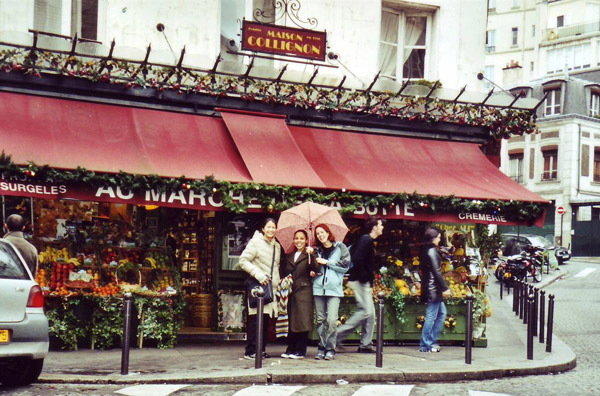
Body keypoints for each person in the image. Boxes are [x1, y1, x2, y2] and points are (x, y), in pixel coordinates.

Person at [336, 216, 384, 353]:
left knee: (370, 314)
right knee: (366, 312)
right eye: (380, 225)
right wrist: (364, 278)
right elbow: (357, 258)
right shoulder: (366, 240)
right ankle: (337, 335)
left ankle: (366, 344)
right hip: (359, 281)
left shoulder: (367, 240)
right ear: (374, 227)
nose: (382, 227)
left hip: (361, 281)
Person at [239, 218, 281, 360]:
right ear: (263, 229)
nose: (271, 230)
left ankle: (260, 349)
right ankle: (250, 350)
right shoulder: (255, 242)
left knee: (266, 321)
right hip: (259, 287)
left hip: (272, 289)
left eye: (273, 227)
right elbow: (243, 260)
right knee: (257, 320)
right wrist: (258, 274)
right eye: (268, 227)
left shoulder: (277, 246)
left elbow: (276, 267)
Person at [312, 224, 349, 361]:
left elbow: (345, 266)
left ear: (328, 233)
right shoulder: (317, 250)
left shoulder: (340, 247)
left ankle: (330, 348)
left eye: (322, 232)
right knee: (320, 320)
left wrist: (327, 262)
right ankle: (321, 347)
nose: (320, 235)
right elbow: (313, 266)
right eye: (317, 233)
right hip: (318, 288)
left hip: (334, 289)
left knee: (332, 320)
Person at [279, 230, 317, 359]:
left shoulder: (310, 254)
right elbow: (283, 271)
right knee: (291, 320)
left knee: (302, 320)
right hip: (290, 291)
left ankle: (300, 351)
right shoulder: (289, 255)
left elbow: (316, 269)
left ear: (306, 240)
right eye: (296, 238)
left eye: (301, 238)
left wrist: (311, 255)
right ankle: (290, 349)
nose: (298, 241)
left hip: (304, 290)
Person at [419, 227, 451, 353]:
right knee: (431, 316)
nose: (439, 239)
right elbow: (436, 271)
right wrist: (445, 287)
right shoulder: (432, 251)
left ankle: (429, 341)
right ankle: (426, 344)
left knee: (442, 313)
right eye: (438, 237)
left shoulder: (426, 250)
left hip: (430, 287)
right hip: (433, 289)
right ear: (433, 238)